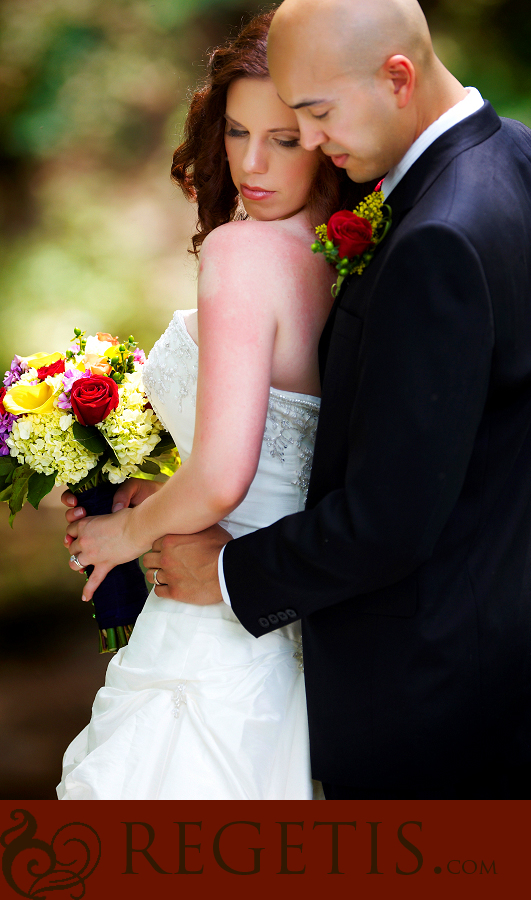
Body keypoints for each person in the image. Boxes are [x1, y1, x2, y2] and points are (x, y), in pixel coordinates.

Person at [141, 0, 531, 800]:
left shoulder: (438, 235)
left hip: (431, 701)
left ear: (397, 77)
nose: (308, 141)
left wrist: (224, 571)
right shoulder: (515, 160)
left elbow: (388, 520)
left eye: (312, 115)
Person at [57, 9, 367, 800]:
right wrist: (165, 493)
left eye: (283, 139)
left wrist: (120, 533)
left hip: (211, 620)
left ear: (326, 137)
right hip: (300, 625)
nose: (251, 164)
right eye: (235, 133)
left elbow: (226, 476)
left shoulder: (243, 252)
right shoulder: (354, 257)